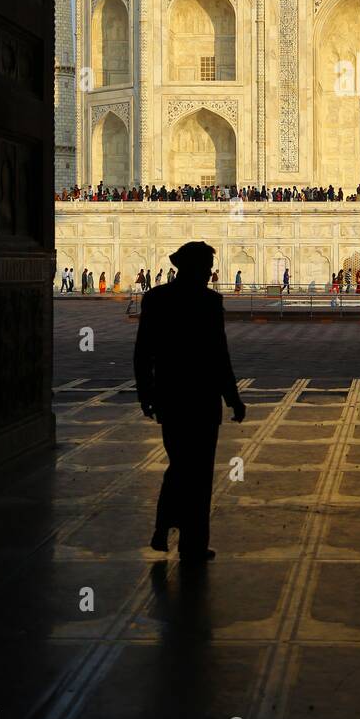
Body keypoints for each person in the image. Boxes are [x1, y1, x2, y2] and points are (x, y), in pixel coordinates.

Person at [134, 240, 245, 563]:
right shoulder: (208, 303)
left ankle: (167, 528)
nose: (209, 272)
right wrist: (232, 398)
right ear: (194, 268)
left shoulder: (157, 299)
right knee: (196, 471)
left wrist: (146, 393)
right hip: (201, 399)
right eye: (206, 266)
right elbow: (218, 355)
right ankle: (187, 540)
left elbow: (143, 353)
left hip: (172, 398)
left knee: (181, 466)